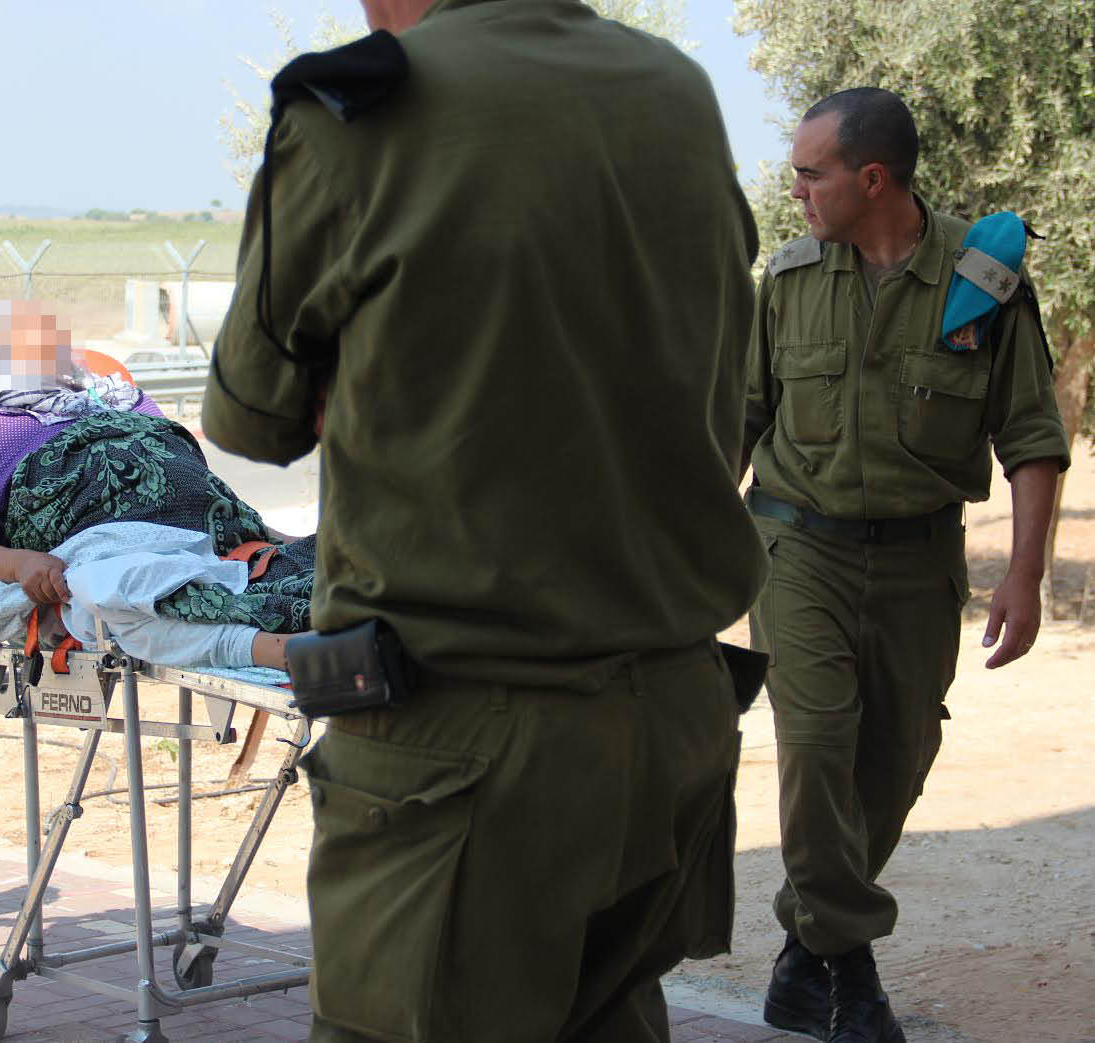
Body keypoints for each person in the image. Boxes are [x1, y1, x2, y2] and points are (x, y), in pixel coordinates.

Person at [204, 1, 766, 1038]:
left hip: (460, 746)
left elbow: (251, 414)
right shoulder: (672, 92)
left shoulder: (355, 110)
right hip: (667, 719)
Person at [742, 88, 1069, 1042]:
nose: (796, 188)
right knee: (814, 748)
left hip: (922, 561)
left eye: (813, 173)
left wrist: (1023, 573)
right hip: (796, 546)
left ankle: (806, 961)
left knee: (895, 764)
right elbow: (741, 420)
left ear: (871, 179)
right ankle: (855, 973)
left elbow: (1032, 433)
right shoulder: (790, 277)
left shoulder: (986, 280)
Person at [0, 302, 308, 671]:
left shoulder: (114, 396)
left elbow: (188, 474)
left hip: (205, 534)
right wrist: (20, 564)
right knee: (116, 590)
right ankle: (270, 648)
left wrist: (270, 534)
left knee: (313, 560)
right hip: (107, 548)